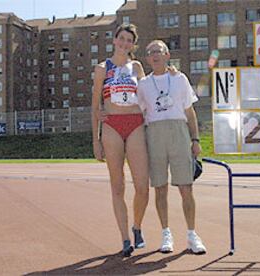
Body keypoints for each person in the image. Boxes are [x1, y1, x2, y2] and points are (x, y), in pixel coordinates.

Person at [137, 40, 207, 254]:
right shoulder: (143, 84)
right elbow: (139, 115)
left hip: (179, 132)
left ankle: (192, 234)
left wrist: (195, 139)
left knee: (186, 187)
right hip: (155, 134)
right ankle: (166, 233)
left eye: (159, 51)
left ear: (168, 55)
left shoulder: (180, 78)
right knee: (160, 188)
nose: (155, 55)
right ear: (147, 59)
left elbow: (189, 112)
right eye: (150, 53)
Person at [91, 23, 149, 257]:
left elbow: (149, 93)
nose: (125, 43)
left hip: (135, 124)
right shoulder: (102, 68)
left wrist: (170, 72)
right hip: (112, 126)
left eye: (129, 40)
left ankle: (137, 226)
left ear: (133, 45)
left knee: (142, 186)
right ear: (114, 40)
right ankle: (125, 238)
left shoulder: (137, 67)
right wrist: (95, 140)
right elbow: (95, 106)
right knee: (118, 185)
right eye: (121, 38)